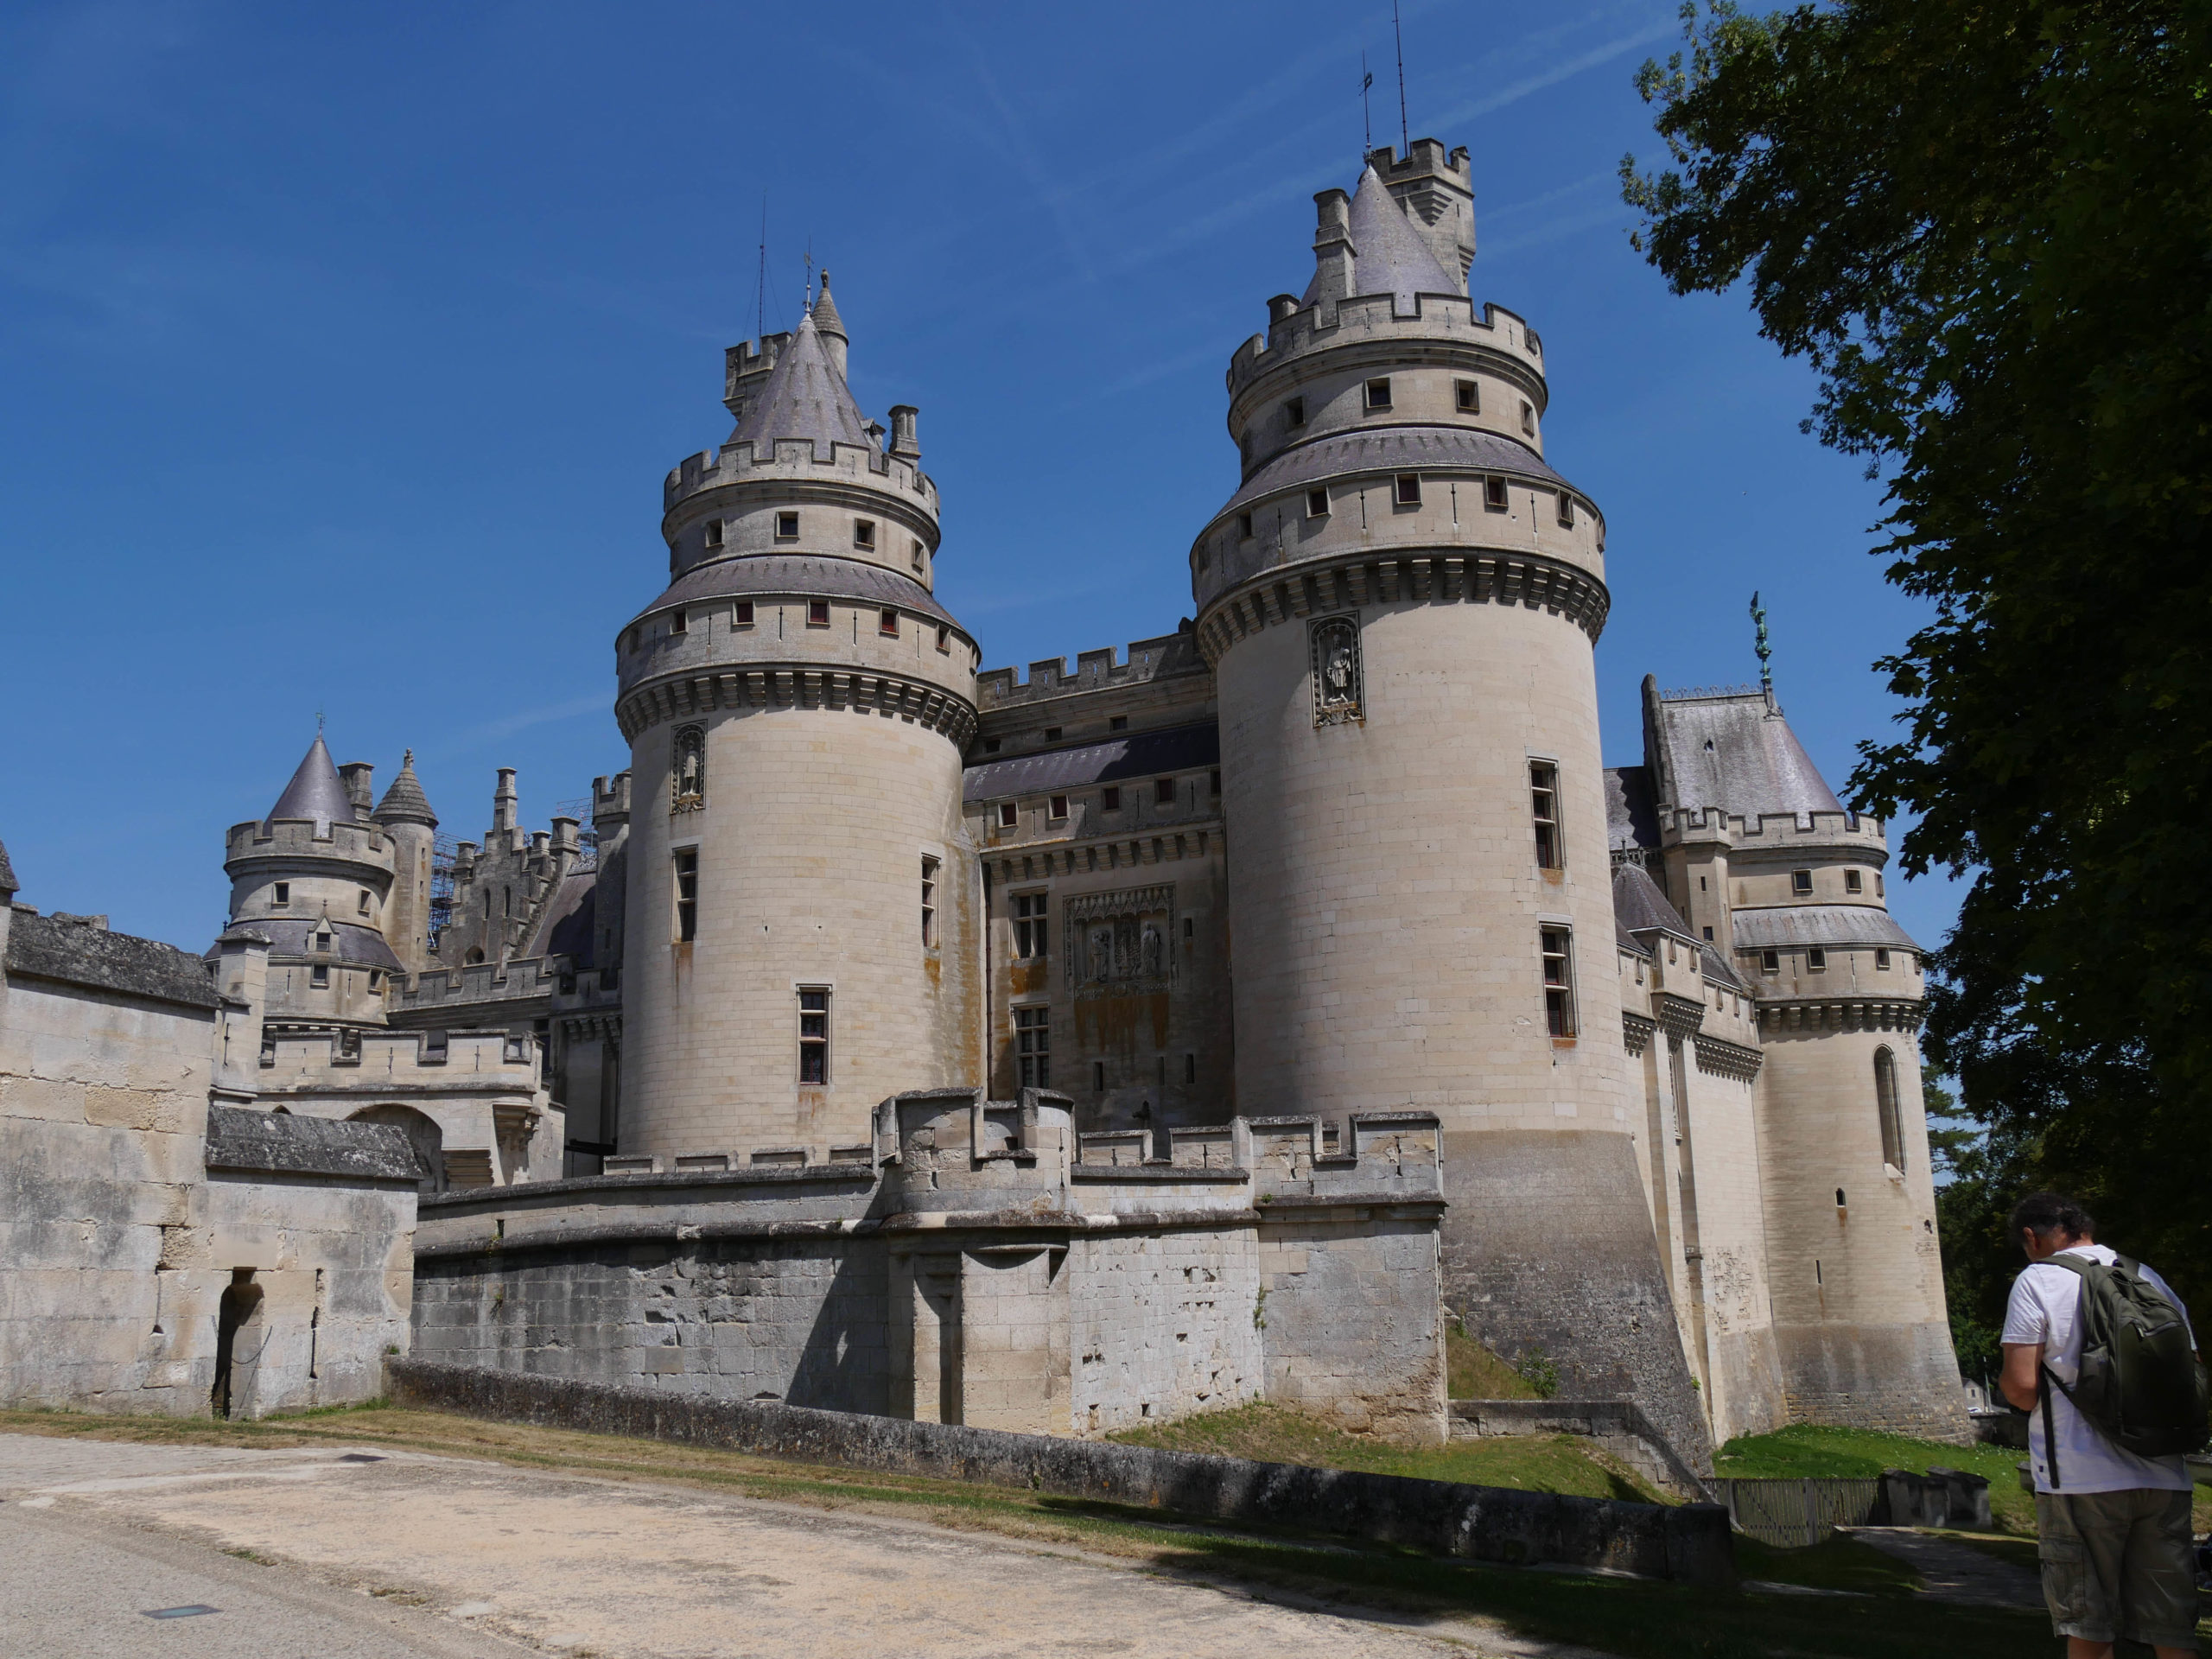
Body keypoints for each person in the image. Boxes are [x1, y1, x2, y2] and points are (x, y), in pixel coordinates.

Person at [1999, 1192, 2201, 1658]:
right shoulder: (2145, 1276)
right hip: (2164, 1473)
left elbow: (2021, 1386)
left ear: (2032, 1237)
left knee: (2087, 1624)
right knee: (2171, 1631)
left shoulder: (2038, 1280)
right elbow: (2190, 1368)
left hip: (2079, 1479)